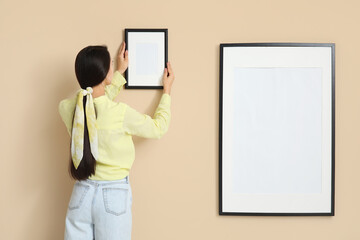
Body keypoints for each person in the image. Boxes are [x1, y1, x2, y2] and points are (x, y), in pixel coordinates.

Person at [58, 41, 175, 240]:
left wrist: (118, 73)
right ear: (104, 75)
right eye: (110, 65)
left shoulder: (67, 108)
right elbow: (158, 128)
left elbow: (92, 103)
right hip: (113, 195)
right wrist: (167, 92)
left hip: (81, 194)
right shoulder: (120, 113)